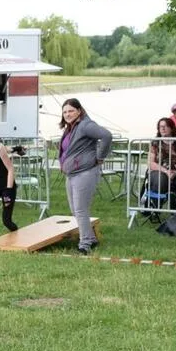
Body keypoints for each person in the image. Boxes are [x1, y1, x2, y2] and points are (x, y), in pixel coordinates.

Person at [58, 98, 112, 255]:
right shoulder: (71, 127)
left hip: (84, 172)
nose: (67, 114)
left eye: (71, 111)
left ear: (79, 111)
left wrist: (100, 157)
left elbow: (107, 136)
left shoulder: (86, 125)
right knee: (74, 209)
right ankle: (91, 238)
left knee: (81, 209)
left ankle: (85, 244)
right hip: (72, 173)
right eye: (65, 112)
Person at [147, 117, 176, 208]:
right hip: (160, 171)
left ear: (171, 128)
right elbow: (151, 163)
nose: (162, 128)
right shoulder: (155, 142)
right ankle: (155, 209)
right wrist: (166, 171)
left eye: (165, 126)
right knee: (160, 179)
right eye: (160, 126)